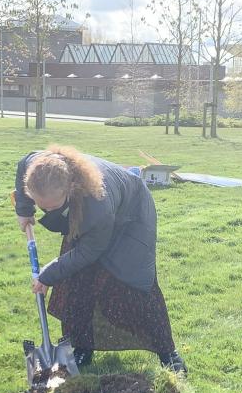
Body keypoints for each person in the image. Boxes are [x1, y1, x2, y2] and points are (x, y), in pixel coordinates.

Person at [13, 145, 186, 373]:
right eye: (42, 207)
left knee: (133, 283)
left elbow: (88, 252)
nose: (47, 212)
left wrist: (48, 275)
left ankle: (168, 353)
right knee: (76, 280)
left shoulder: (97, 205)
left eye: (53, 207)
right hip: (89, 213)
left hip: (131, 216)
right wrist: (24, 209)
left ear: (70, 188)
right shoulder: (38, 167)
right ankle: (82, 347)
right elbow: (23, 162)